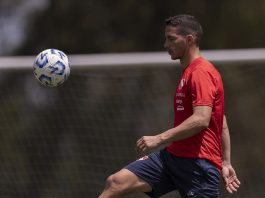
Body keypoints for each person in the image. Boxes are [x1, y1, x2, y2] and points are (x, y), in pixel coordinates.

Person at [98, 14, 240, 198]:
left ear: (189, 40)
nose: (166, 45)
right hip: (173, 157)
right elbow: (222, 120)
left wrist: (159, 138)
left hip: (198, 165)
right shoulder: (189, 72)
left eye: (171, 39)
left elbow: (202, 119)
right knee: (116, 182)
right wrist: (226, 162)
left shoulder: (201, 72)